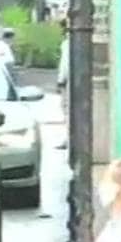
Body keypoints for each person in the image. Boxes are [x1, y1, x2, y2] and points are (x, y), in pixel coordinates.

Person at [56, 19, 69, 150]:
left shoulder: (67, 43)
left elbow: (64, 65)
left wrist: (60, 80)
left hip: (68, 82)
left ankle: (68, 138)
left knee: (67, 110)